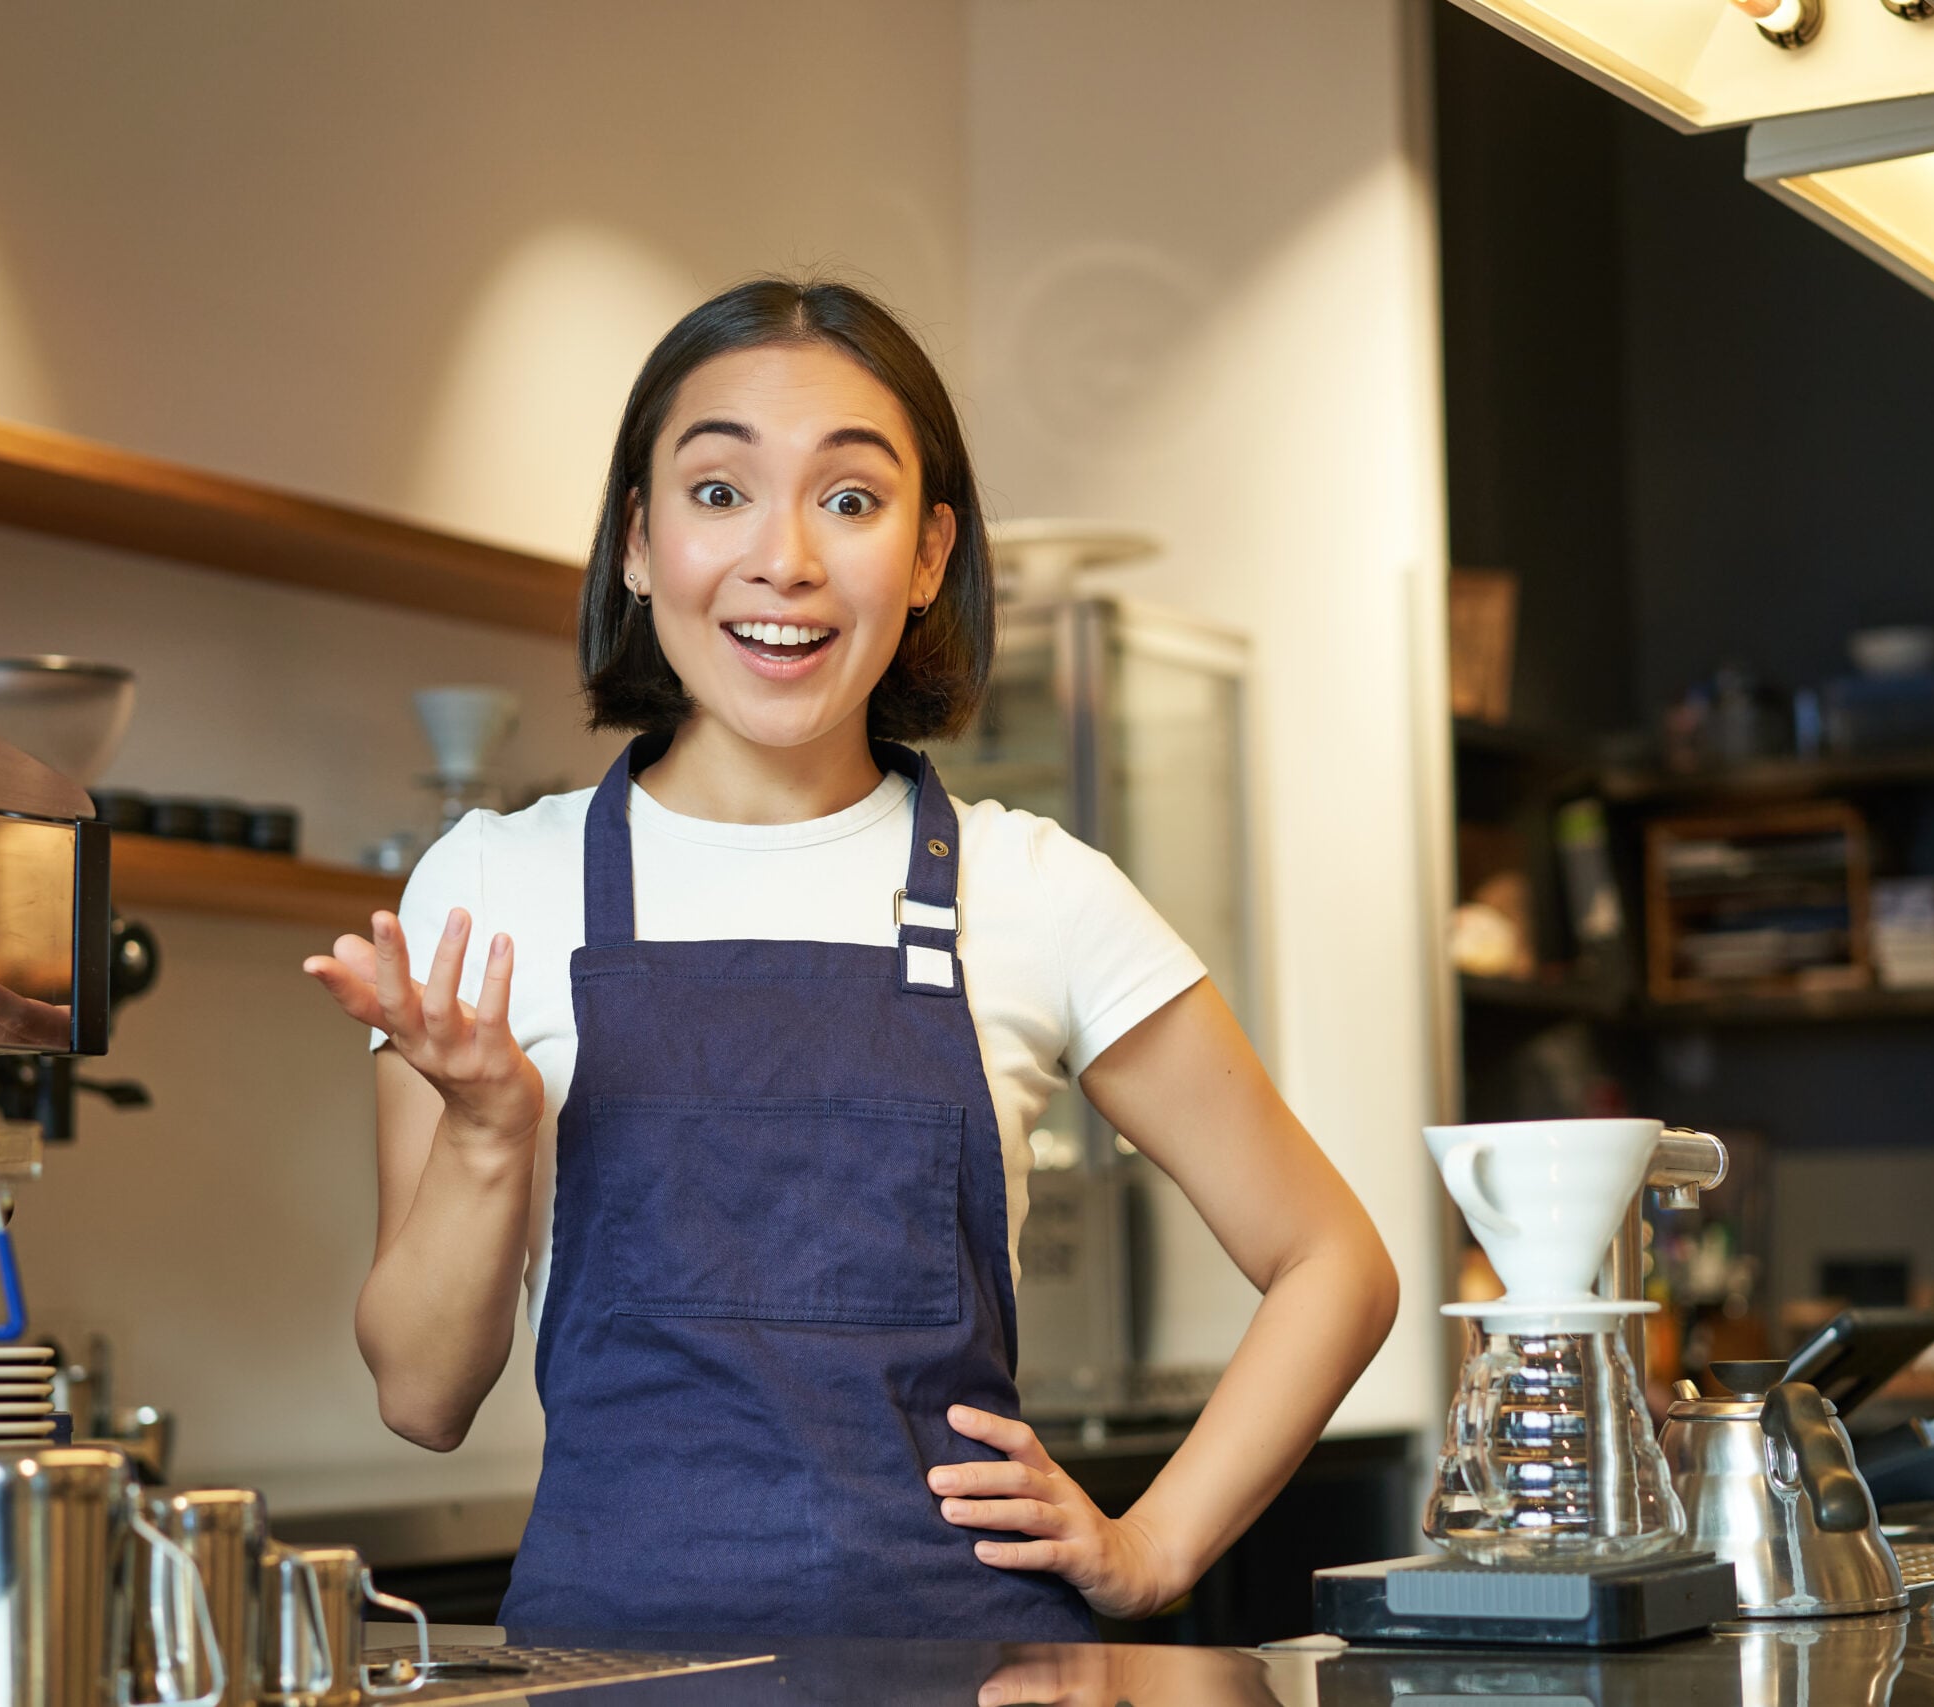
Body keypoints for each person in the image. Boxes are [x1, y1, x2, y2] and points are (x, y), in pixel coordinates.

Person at [303, 278, 1396, 1641]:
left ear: (930, 553)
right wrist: (487, 1134)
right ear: (637, 542)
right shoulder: (492, 886)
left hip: (977, 1672)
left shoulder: (1038, 890)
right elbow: (420, 1396)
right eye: (718, 493)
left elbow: (1334, 1260)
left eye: (850, 499)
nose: (785, 561)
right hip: (613, 1678)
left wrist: (1155, 1546)